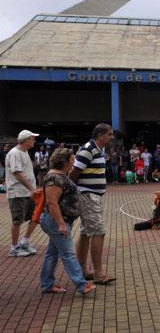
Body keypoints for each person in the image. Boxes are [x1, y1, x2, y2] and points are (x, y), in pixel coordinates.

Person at [39, 148, 96, 295]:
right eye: (72, 159)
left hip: (59, 221)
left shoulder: (60, 175)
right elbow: (52, 203)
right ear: (65, 161)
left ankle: (47, 284)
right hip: (57, 221)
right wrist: (61, 224)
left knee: (52, 253)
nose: (74, 162)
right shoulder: (55, 178)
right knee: (68, 254)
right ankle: (82, 285)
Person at [70, 123, 116, 285]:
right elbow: (74, 172)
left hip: (92, 195)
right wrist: (75, 191)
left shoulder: (98, 150)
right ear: (100, 135)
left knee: (86, 233)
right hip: (88, 196)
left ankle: (82, 270)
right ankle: (98, 273)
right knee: (98, 232)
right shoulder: (88, 149)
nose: (111, 137)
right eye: (109, 134)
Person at [6, 130, 40, 257]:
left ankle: (24, 241)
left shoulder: (24, 152)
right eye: (32, 139)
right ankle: (14, 248)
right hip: (18, 193)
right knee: (17, 220)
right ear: (26, 140)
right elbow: (18, 174)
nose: (34, 141)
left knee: (36, 216)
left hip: (26, 192)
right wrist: (32, 188)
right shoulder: (15, 153)